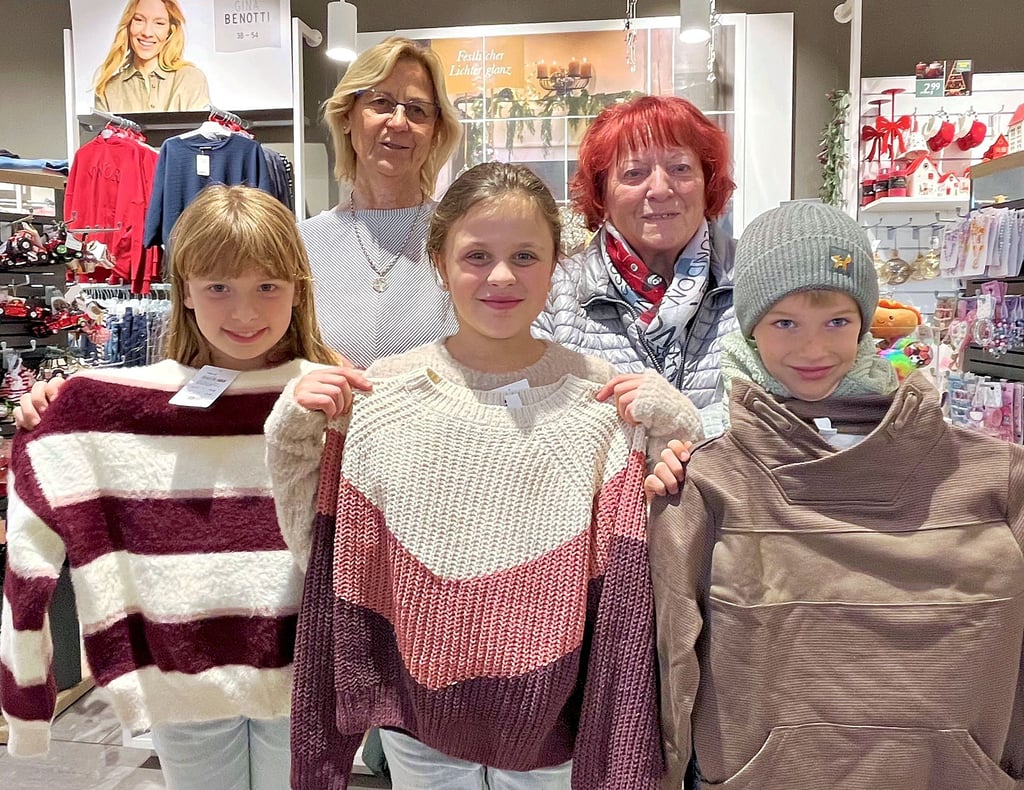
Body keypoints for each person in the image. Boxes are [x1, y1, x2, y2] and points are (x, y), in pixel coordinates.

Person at [265, 162, 705, 789]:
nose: (502, 276)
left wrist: (674, 421)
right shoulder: (382, 395)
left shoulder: (602, 401)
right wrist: (294, 427)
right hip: (418, 723)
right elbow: (324, 551)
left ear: (558, 264)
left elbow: (670, 538)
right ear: (439, 263)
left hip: (556, 722)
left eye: (526, 255)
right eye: (477, 256)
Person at [649, 201, 1024, 789]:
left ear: (865, 321)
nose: (813, 348)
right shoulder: (707, 480)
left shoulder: (995, 476)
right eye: (784, 322)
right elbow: (674, 660)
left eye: (837, 321)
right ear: (749, 326)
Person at [0, 184, 340, 790]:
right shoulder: (111, 407)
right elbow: (27, 568)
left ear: (298, 290)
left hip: (308, 668)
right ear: (183, 291)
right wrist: (58, 417)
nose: (244, 312)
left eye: (268, 286)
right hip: (178, 677)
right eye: (218, 286)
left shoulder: (337, 395)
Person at [533, 95, 737, 434]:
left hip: (729, 486)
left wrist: (689, 426)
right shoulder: (553, 290)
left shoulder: (753, 280)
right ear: (602, 192)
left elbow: (785, 407)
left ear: (707, 180)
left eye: (680, 168)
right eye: (634, 173)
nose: (659, 189)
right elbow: (536, 417)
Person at [300, 36, 463, 366]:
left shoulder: (461, 238)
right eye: (381, 103)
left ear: (435, 131)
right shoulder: (302, 244)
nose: (399, 122)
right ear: (347, 115)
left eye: (417, 110)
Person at [93, 0, 210, 114]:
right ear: (128, 25)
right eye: (139, 20)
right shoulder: (107, 90)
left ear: (170, 31)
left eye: (159, 23)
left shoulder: (191, 79)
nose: (147, 33)